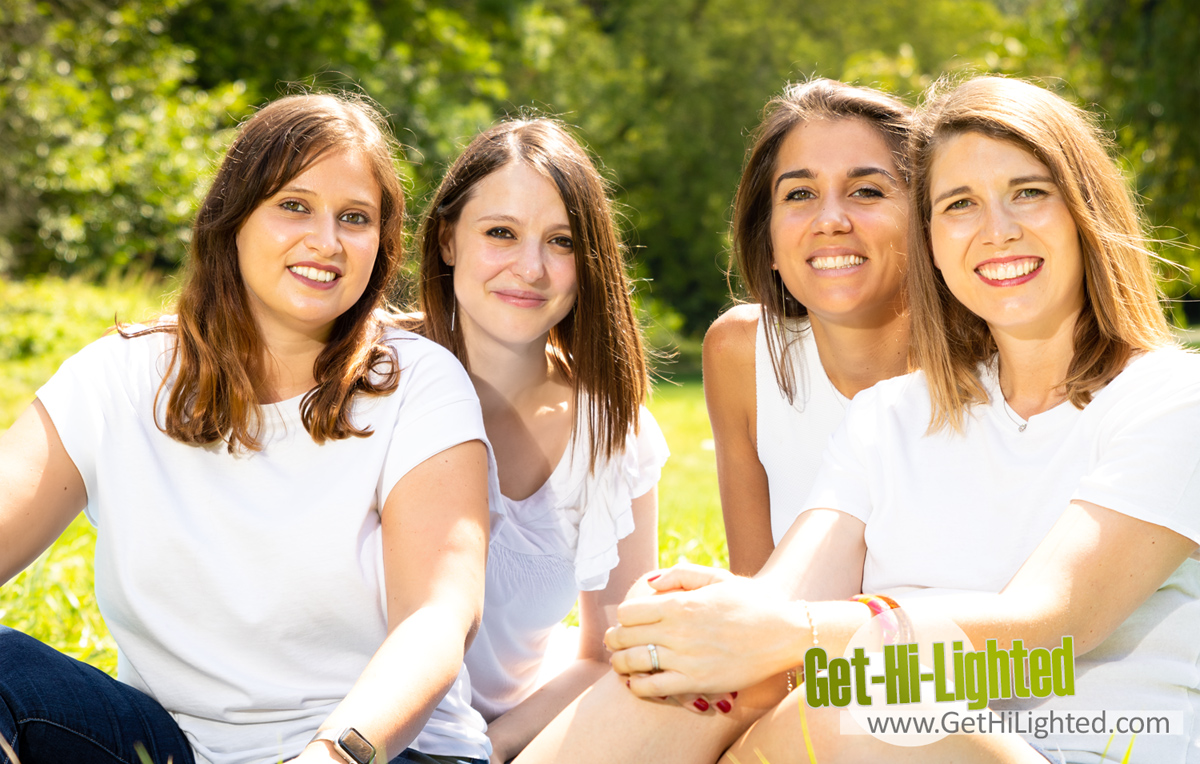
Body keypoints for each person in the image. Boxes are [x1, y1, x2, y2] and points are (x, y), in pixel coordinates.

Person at [602, 76, 1200, 763]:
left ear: (1085, 209)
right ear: (931, 241)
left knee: (863, 704)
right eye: (959, 204)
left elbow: (1052, 622)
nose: (997, 230)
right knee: (676, 679)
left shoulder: (1171, 399)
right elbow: (779, 601)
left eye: (1028, 192)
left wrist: (789, 631)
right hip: (875, 732)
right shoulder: (888, 415)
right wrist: (698, 627)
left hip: (1076, 751)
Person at [0, 93, 494, 764]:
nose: (325, 241)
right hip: (169, 744)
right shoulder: (119, 378)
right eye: (294, 205)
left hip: (376, 751)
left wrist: (335, 755)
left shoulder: (420, 385)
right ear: (232, 216)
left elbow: (437, 619)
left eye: (355, 218)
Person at [407, 118, 667, 763]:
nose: (530, 268)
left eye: (561, 242)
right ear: (447, 241)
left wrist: (488, 750)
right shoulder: (376, 377)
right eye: (500, 233)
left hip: (510, 738)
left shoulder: (614, 432)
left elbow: (609, 655)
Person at [703, 79, 911, 576]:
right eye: (800, 193)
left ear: (924, 219)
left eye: (866, 190)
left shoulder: (997, 357)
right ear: (769, 241)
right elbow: (755, 602)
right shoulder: (741, 354)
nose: (831, 219)